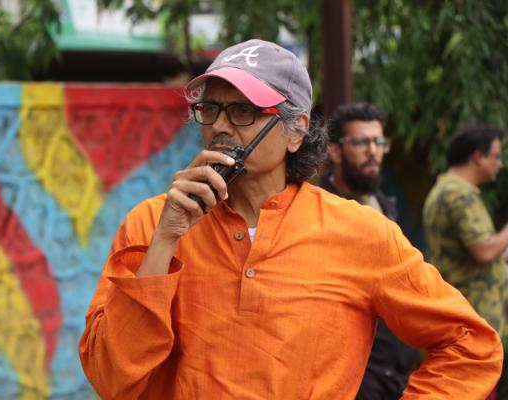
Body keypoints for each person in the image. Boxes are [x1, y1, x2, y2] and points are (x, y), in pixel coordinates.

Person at [79, 39, 502, 399]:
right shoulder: (152, 222)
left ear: (296, 130)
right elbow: (110, 376)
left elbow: (471, 345)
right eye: (210, 109)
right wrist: (166, 240)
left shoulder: (361, 232)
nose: (220, 126)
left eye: (243, 111)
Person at [319, 102, 418, 399]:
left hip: (396, 362)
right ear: (335, 151)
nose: (373, 151)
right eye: (362, 142)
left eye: (379, 142)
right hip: (353, 369)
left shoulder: (384, 205)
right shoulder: (318, 211)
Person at [423, 123, 508, 398]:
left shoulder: (452, 189)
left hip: (470, 324)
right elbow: (484, 250)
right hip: (473, 325)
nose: (500, 163)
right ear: (477, 156)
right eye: (496, 156)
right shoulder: (457, 193)